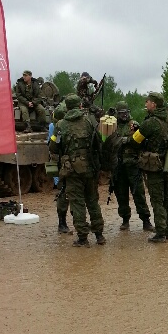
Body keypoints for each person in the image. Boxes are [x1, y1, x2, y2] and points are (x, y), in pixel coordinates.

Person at [49, 94, 105, 247]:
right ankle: (99, 235)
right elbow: (99, 143)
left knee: (77, 203)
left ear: (66, 107)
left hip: (72, 170)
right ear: (80, 106)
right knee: (93, 202)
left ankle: (83, 238)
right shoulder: (89, 121)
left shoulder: (60, 125)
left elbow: (53, 146)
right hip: (90, 168)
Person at [125, 91, 168, 243]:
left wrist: (132, 134)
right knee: (167, 198)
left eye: (147, 102)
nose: (145, 104)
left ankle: (160, 233)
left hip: (155, 167)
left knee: (157, 200)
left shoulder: (151, 122)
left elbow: (134, 141)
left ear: (154, 104)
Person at [114, 101, 153, 231]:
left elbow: (141, 143)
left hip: (133, 164)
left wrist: (128, 139)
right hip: (118, 166)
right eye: (121, 113)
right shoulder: (112, 126)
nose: (124, 115)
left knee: (139, 193)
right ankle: (125, 219)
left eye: (126, 112)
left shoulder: (134, 125)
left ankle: (146, 220)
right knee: (121, 194)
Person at [48, 100, 71, 234]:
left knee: (65, 193)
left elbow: (51, 145)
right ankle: (62, 223)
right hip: (63, 163)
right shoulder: (57, 127)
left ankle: (63, 223)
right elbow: (53, 147)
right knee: (64, 193)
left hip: (66, 163)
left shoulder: (55, 125)